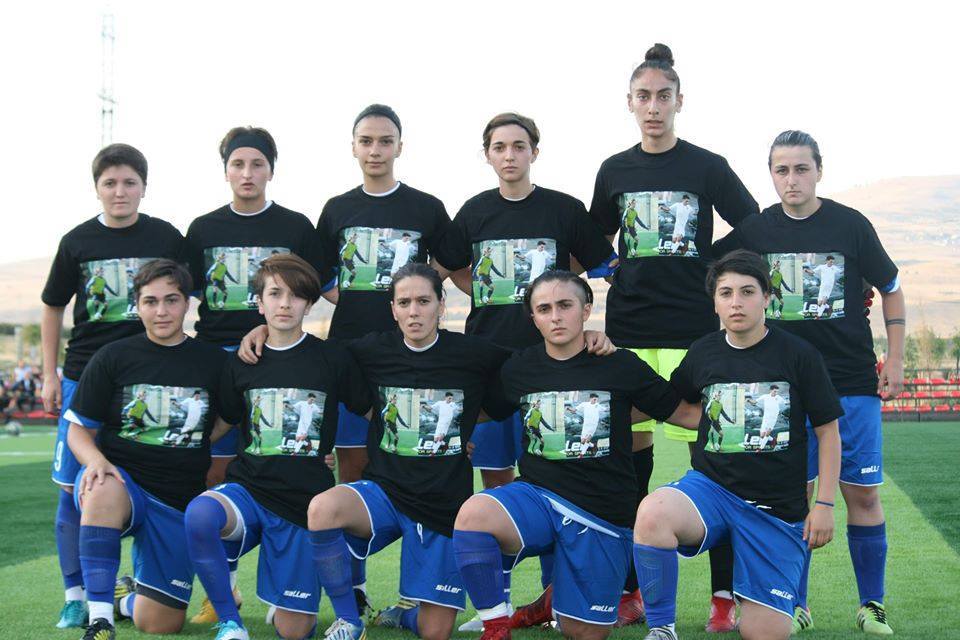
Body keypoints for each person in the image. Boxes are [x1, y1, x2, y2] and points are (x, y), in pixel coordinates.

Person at [587, 43, 760, 629]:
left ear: (680, 101)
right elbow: (592, 237)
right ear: (629, 103)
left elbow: (752, 221)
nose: (654, 107)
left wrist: (708, 261)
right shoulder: (614, 170)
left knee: (714, 464)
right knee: (627, 465)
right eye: (644, 97)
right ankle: (632, 591)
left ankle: (723, 598)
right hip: (630, 330)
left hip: (693, 331)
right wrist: (613, 266)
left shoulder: (707, 165)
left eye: (664, 96)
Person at [431, 113, 618, 629]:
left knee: (555, 481)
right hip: (490, 366)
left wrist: (572, 303)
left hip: (553, 369)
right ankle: (500, 600)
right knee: (497, 483)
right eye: (499, 147)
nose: (509, 155)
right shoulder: (474, 212)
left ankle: (557, 601)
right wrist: (481, 286)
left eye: (519, 146)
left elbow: (603, 265)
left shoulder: (562, 209)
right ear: (487, 155)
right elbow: (440, 269)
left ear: (535, 151)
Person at [714, 131, 905, 635]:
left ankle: (872, 605)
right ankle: (795, 605)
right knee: (793, 499)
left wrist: (896, 357)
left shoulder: (850, 225)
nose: (792, 179)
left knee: (862, 495)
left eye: (802, 169)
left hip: (850, 381)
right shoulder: (756, 229)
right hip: (782, 389)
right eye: (782, 170)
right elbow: (714, 279)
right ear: (771, 175)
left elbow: (891, 287)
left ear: (820, 170)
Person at [452, 270, 701, 640]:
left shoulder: (621, 364)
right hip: (538, 498)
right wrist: (457, 436)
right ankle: (496, 626)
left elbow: (683, 413)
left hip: (601, 513)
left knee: (585, 632)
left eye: (565, 305)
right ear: (533, 318)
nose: (555, 316)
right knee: (474, 514)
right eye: (544, 309)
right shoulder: (520, 367)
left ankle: (555, 600)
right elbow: (483, 410)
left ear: (586, 310)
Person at [633, 250, 842, 640]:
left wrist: (825, 505)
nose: (736, 302)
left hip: (775, 507)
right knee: (652, 514)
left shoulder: (799, 355)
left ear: (767, 298)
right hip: (711, 490)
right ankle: (662, 629)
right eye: (726, 293)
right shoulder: (703, 352)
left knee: (764, 633)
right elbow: (677, 405)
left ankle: (768, 597)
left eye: (747, 292)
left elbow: (828, 432)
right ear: (714, 303)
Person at [306, 263, 515, 640]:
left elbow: (532, 366)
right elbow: (306, 355)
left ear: (441, 305)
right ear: (393, 309)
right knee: (323, 508)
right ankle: (349, 618)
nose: (414, 311)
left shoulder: (474, 354)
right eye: (404, 303)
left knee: (435, 632)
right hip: (383, 492)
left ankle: (401, 616)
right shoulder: (371, 350)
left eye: (423, 301)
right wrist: (261, 330)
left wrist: (460, 427)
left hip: (441, 503)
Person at [183, 254, 370, 640]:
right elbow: (223, 422)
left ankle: (291, 602)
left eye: (296, 296)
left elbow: (371, 411)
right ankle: (230, 622)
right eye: (275, 294)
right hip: (248, 492)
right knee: (200, 513)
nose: (285, 304)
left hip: (302, 502)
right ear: (259, 302)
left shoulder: (332, 358)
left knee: (295, 631)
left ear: (309, 303)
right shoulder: (243, 360)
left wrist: (453, 441)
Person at [184, 126, 328, 623]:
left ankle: (302, 581)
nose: (247, 174)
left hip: (277, 355)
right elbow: (185, 292)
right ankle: (223, 591)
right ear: (225, 169)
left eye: (257, 164)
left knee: (280, 458)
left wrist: (268, 330)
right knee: (214, 472)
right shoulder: (202, 229)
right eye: (238, 164)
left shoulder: (295, 225)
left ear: (271, 169)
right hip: (220, 362)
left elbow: (318, 289)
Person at [40, 143, 185, 629]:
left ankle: (144, 586)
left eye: (129, 182)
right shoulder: (77, 241)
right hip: (86, 375)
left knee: (151, 481)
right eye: (110, 183)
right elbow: (53, 306)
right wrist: (49, 373)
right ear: (96, 188)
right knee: (73, 488)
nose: (120, 192)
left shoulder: (166, 236)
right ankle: (76, 595)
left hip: (149, 379)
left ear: (144, 187)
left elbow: (188, 296)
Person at [63, 260, 229, 640]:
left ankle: (124, 600)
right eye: (150, 301)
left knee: (160, 624)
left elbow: (230, 419)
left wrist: (191, 441)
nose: (161, 311)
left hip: (177, 499)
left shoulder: (215, 361)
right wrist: (96, 460)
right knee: (101, 485)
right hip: (125, 484)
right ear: (137, 305)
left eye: (171, 300)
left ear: (187, 303)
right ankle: (100, 618)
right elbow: (78, 431)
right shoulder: (113, 356)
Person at [312, 104, 451, 485]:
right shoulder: (337, 209)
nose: (375, 150)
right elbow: (320, 271)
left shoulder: (426, 207)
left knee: (410, 452)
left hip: (408, 350)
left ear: (399, 147)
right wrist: (351, 297)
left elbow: (449, 259)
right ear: (353, 147)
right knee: (353, 460)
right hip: (350, 346)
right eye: (366, 141)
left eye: (385, 141)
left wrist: (416, 296)